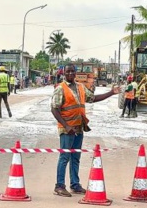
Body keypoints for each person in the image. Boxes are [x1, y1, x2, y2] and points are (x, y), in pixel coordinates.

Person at [51, 63, 119, 197]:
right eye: (68, 72)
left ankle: (75, 185)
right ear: (64, 73)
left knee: (75, 157)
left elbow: (93, 98)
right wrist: (66, 126)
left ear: (75, 73)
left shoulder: (80, 87)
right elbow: (54, 109)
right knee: (64, 157)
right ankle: (59, 186)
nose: (70, 74)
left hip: (79, 127)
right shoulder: (60, 89)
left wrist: (111, 92)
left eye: (72, 72)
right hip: (67, 129)